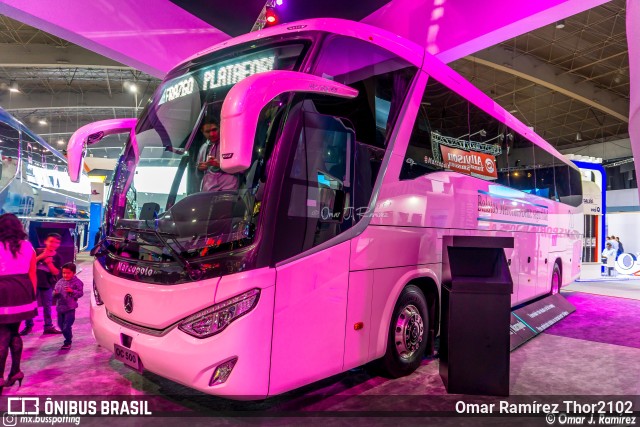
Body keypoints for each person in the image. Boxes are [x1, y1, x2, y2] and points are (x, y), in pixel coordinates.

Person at [0, 213, 37, 392]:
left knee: (2, 336)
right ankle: (15, 371)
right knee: (14, 332)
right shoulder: (28, 246)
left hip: (3, 292)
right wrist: (32, 297)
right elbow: (32, 275)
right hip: (23, 291)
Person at [20, 233, 63, 335]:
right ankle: (28, 325)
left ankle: (48, 326)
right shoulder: (37, 251)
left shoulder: (58, 257)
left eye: (56, 242)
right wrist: (41, 256)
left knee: (47, 306)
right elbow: (28, 263)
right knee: (30, 305)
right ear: (46, 241)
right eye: (51, 241)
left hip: (47, 285)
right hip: (32, 283)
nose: (53, 244)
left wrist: (49, 263)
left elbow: (56, 272)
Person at [196, 118, 239, 192]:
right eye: (207, 131)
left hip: (228, 190)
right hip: (208, 191)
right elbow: (198, 174)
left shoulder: (231, 143)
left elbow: (242, 169)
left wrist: (220, 165)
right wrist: (200, 169)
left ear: (219, 127)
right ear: (202, 132)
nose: (212, 134)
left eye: (214, 130)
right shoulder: (203, 148)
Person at [52, 263, 84, 350]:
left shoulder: (78, 282)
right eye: (64, 273)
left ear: (74, 272)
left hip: (70, 308)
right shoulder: (60, 282)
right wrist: (55, 294)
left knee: (67, 326)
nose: (65, 275)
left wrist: (72, 291)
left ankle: (67, 342)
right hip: (60, 308)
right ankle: (68, 334)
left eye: (68, 273)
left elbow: (80, 293)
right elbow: (54, 293)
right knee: (60, 325)